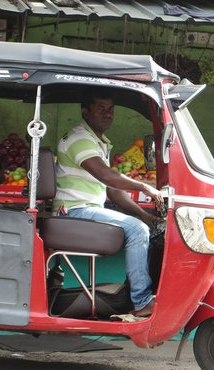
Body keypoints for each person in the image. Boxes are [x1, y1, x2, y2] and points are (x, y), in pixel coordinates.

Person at [52, 88, 164, 318]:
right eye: (100, 109)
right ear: (85, 111)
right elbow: (106, 175)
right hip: (73, 212)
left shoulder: (96, 141)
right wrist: (144, 187)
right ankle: (142, 301)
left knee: (145, 228)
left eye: (111, 109)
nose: (108, 114)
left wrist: (147, 217)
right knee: (137, 230)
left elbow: (113, 190)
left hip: (84, 211)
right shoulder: (79, 138)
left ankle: (133, 298)